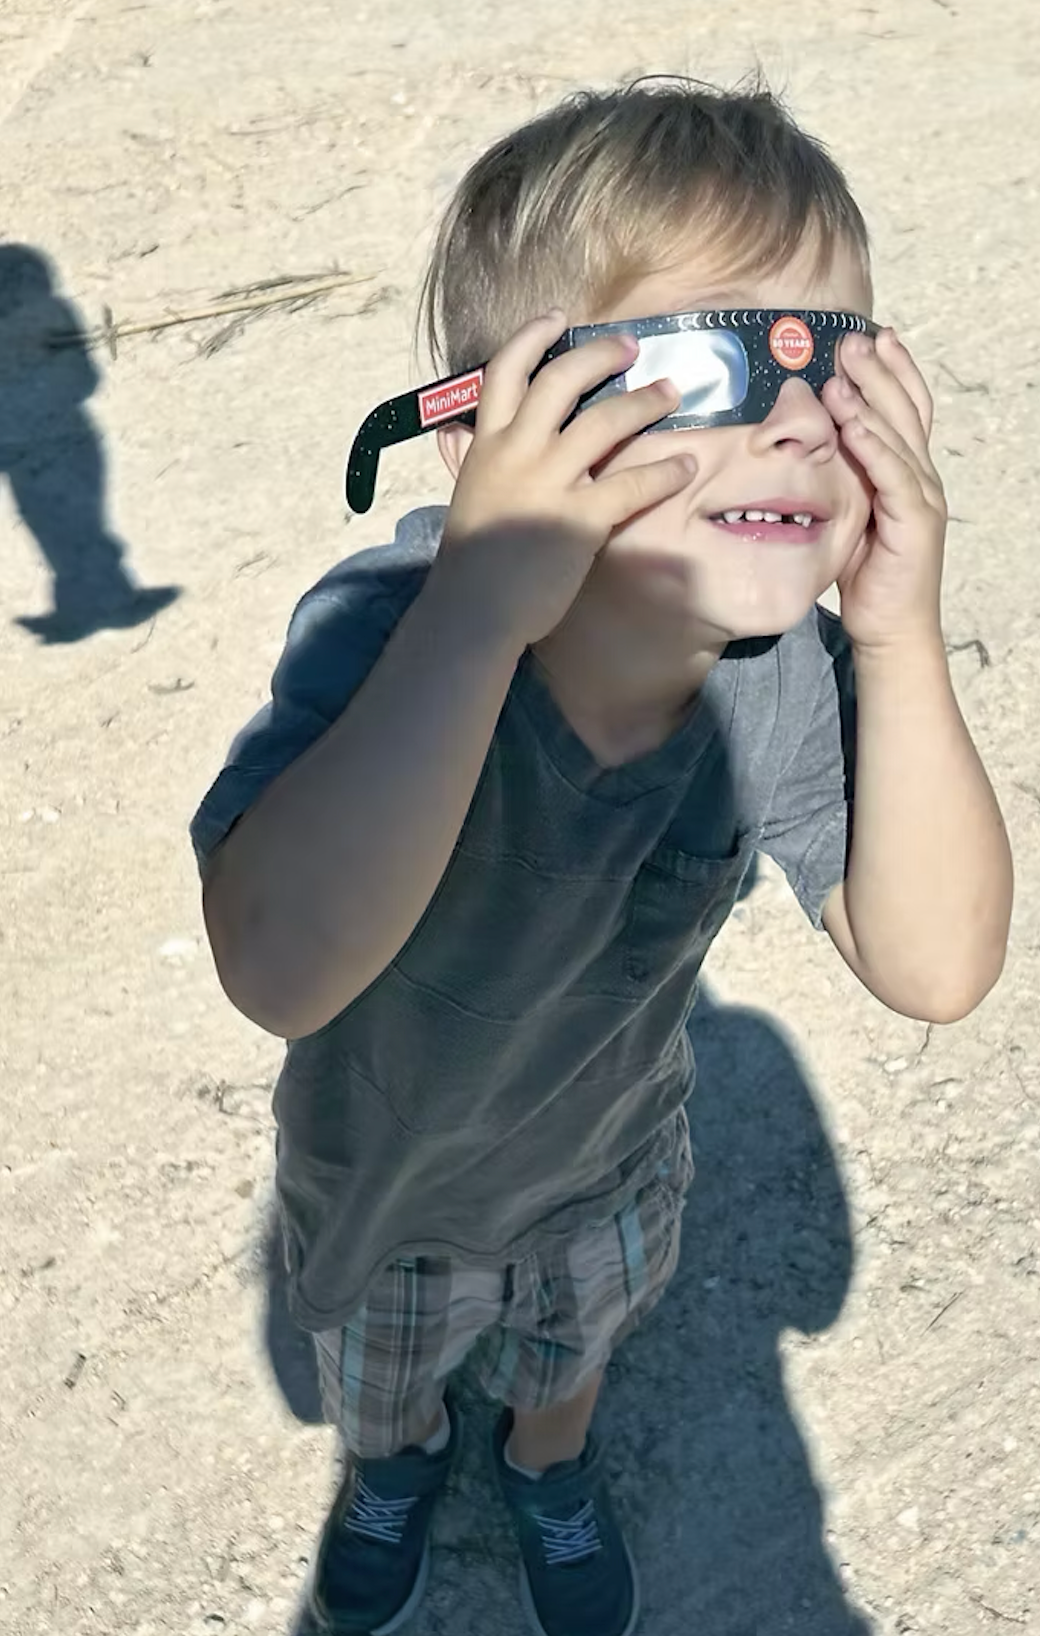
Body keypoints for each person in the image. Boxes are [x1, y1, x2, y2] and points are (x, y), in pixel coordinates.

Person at [190, 78, 1012, 1636]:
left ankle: (551, 1463)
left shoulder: (778, 676)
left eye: (838, 369)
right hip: (392, 1185)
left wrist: (901, 634)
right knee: (385, 1390)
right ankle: (403, 1466)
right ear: (493, 431)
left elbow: (939, 962)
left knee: (573, 1355)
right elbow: (277, 962)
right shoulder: (397, 636)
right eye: (702, 368)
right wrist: (483, 611)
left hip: (611, 1163)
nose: (792, 416)